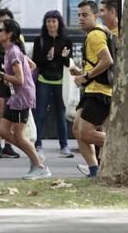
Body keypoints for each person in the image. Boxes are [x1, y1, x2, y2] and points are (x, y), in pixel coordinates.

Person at [0, 19, 52, 180]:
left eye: (0, 30)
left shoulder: (13, 52)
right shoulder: (12, 51)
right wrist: (11, 78)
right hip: (16, 96)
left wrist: (0, 74)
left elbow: (20, 79)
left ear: (9, 34)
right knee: (3, 132)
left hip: (22, 97)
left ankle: (40, 167)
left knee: (20, 136)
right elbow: (32, 65)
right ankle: (35, 156)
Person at [69, 0, 114, 178]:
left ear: (96, 16)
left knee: (86, 133)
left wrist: (85, 77)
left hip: (100, 92)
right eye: (79, 15)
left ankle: (123, 145)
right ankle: (94, 170)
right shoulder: (97, 33)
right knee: (77, 130)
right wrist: (81, 72)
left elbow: (107, 60)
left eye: (85, 15)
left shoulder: (95, 35)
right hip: (92, 90)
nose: (81, 18)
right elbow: (99, 64)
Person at [31, 10, 73, 158]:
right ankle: (38, 145)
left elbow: (69, 63)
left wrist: (62, 57)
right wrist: (48, 58)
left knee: (60, 114)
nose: (51, 24)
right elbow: (35, 62)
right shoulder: (40, 40)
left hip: (60, 81)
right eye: (48, 21)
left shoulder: (66, 40)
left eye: (54, 21)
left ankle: (64, 146)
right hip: (44, 80)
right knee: (40, 114)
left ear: (59, 23)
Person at [0, 9, 22, 158]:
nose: (2, 25)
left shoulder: (17, 44)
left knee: (13, 113)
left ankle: (9, 145)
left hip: (12, 80)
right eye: (0, 21)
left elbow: (24, 61)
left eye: (6, 22)